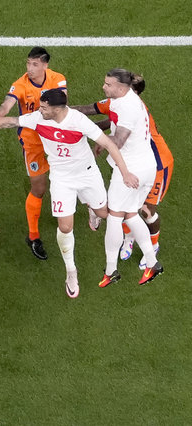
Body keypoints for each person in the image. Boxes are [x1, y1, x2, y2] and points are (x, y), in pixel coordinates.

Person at [0, 89, 138, 298]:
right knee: (65, 226)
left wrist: (125, 174)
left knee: (104, 213)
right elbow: (11, 121)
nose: (40, 110)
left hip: (87, 175)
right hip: (61, 179)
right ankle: (71, 272)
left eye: (44, 107)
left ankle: (92, 209)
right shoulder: (38, 118)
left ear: (58, 109)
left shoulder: (79, 121)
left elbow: (109, 145)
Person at [72, 76, 173, 270]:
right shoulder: (117, 102)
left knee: (146, 211)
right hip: (132, 163)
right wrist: (62, 112)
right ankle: (128, 239)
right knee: (127, 207)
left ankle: (153, 245)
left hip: (158, 165)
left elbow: (117, 134)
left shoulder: (135, 109)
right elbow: (94, 112)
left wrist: (92, 133)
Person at [0, 47, 67, 260]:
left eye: (34, 64)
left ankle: (82, 209)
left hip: (55, 139)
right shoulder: (21, 84)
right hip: (33, 143)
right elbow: (6, 104)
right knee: (39, 189)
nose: (29, 69)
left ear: (45, 65)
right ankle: (33, 236)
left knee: (69, 177)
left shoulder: (58, 79)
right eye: (28, 64)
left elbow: (62, 103)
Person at [93, 69, 163, 286]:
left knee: (114, 216)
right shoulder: (122, 98)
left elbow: (120, 140)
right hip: (144, 167)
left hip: (131, 170)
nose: (104, 87)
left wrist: (100, 140)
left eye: (108, 84)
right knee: (131, 214)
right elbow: (112, 123)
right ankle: (153, 263)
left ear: (121, 87)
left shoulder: (129, 106)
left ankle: (111, 270)